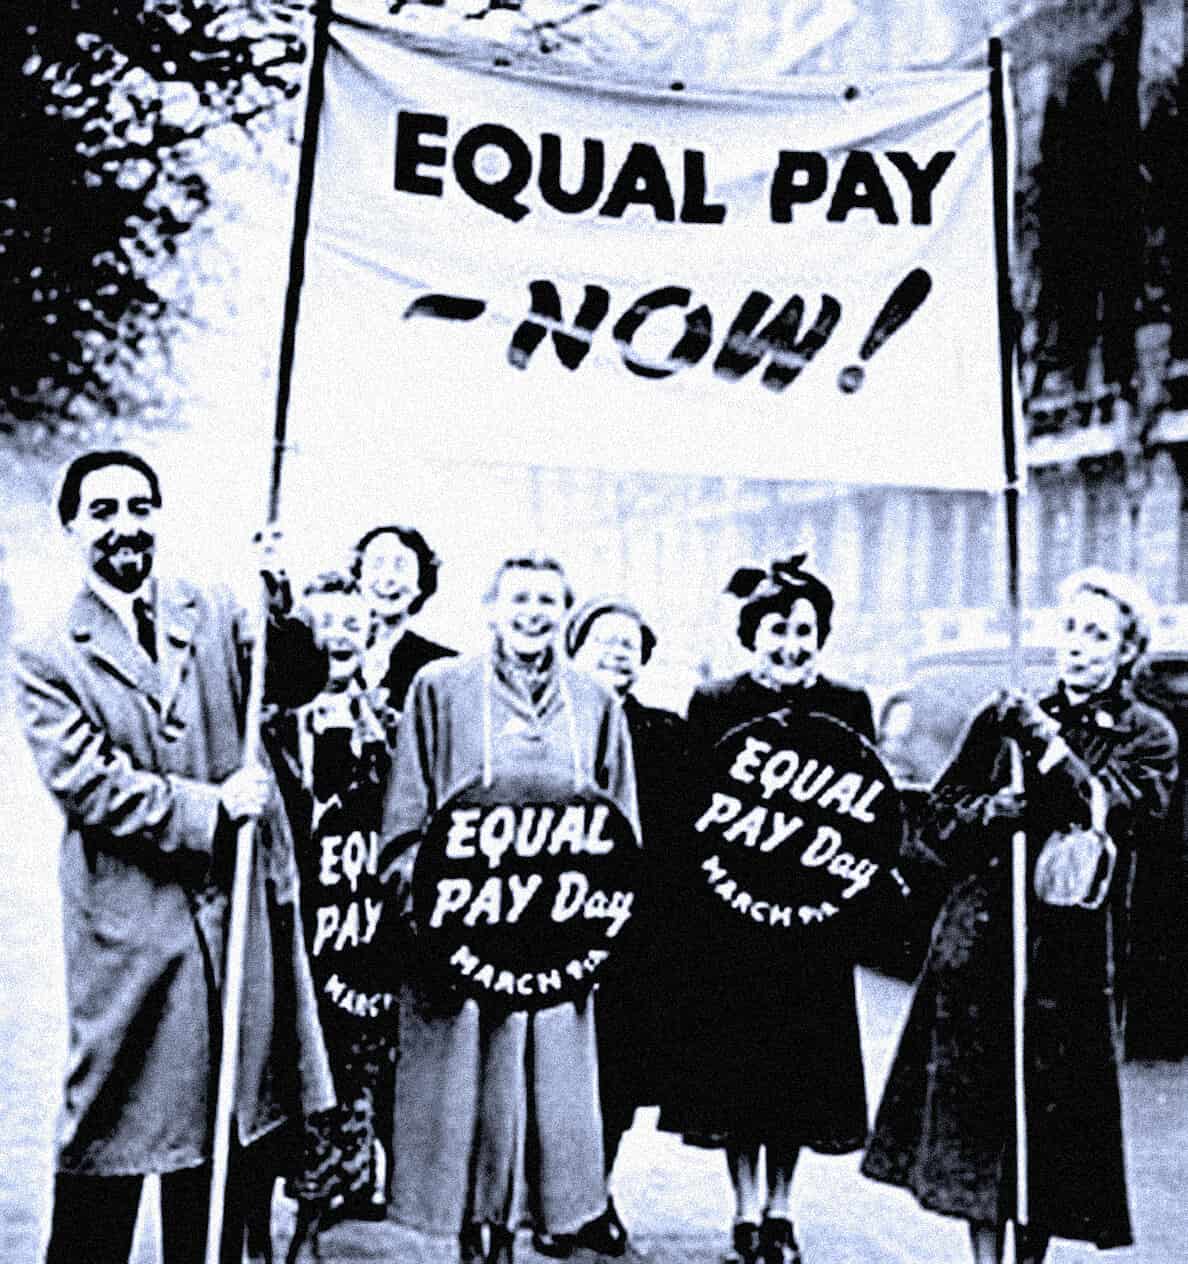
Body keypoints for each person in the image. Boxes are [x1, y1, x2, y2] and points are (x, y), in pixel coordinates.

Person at [13, 449, 335, 1264]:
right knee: (110, 1140)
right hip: (130, 935)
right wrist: (210, 807)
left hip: (234, 927)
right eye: (103, 511)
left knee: (222, 1152)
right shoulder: (48, 652)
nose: (125, 527)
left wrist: (279, 600)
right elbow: (88, 785)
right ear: (71, 528)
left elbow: (295, 679)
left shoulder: (217, 608)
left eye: (139, 507)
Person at [861, 567, 1178, 1264]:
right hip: (984, 946)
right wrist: (990, 812)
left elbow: (1108, 811)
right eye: (1071, 629)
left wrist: (1048, 746)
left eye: (1098, 635)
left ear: (1127, 651)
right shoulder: (1005, 716)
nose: (1078, 646)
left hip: (1071, 954)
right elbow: (938, 818)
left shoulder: (1145, 735)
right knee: (981, 1123)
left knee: (1049, 1127)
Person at [381, 553, 638, 1264]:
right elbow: (405, 818)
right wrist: (426, 909)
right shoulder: (440, 689)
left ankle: (524, 1231)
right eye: (519, 599)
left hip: (555, 950)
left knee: (545, 1105)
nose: (532, 614)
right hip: (460, 945)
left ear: (565, 614)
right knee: (466, 1101)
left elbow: (621, 830)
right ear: (491, 608)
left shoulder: (595, 703)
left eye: (547, 602)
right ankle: (476, 1238)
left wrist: (600, 925)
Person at [662, 554, 875, 1264]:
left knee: (798, 1072)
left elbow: (868, 813)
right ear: (752, 635)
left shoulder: (848, 706)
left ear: (822, 636)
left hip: (813, 924)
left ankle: (782, 1208)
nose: (791, 645)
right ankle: (743, 1208)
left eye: (805, 631)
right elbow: (694, 810)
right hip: (735, 922)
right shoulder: (716, 703)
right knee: (741, 1072)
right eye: (777, 630)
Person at [267, 573, 400, 1258]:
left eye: (354, 623)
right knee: (280, 1088)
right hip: (291, 936)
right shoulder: (271, 730)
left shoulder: (391, 729)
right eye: (324, 622)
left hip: (360, 939)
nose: (340, 635)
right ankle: (258, 1228)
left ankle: (316, 1227)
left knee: (349, 1088)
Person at [563, 595, 687, 1257]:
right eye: (604, 640)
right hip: (549, 925)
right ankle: (546, 1199)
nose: (618, 652)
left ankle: (592, 1196)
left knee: (615, 1073)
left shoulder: (665, 733)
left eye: (630, 644)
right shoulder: (548, 725)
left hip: (635, 933)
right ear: (575, 649)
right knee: (553, 1069)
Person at [351, 523, 455, 712]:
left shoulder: (444, 667)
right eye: (377, 564)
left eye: (400, 566)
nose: (387, 579)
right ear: (359, 577)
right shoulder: (332, 654)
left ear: (421, 581)